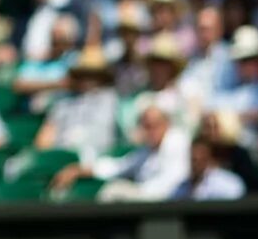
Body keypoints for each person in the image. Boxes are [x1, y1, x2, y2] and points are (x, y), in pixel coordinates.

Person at [51, 106, 189, 202]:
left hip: (172, 206)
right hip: (149, 204)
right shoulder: (146, 150)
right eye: (145, 126)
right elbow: (119, 167)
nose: (149, 131)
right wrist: (80, 170)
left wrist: (137, 192)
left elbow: (172, 183)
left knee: (114, 191)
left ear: (166, 124)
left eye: (154, 125)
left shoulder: (177, 142)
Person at [35, 46, 119, 163]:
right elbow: (45, 138)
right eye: (82, 75)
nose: (86, 80)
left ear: (102, 78)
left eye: (92, 75)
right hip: (61, 156)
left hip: (95, 160)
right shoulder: (63, 102)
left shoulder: (112, 100)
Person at [170, 136, 246, 201]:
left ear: (210, 159)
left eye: (201, 159)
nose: (196, 164)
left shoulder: (229, 183)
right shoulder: (181, 188)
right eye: (194, 159)